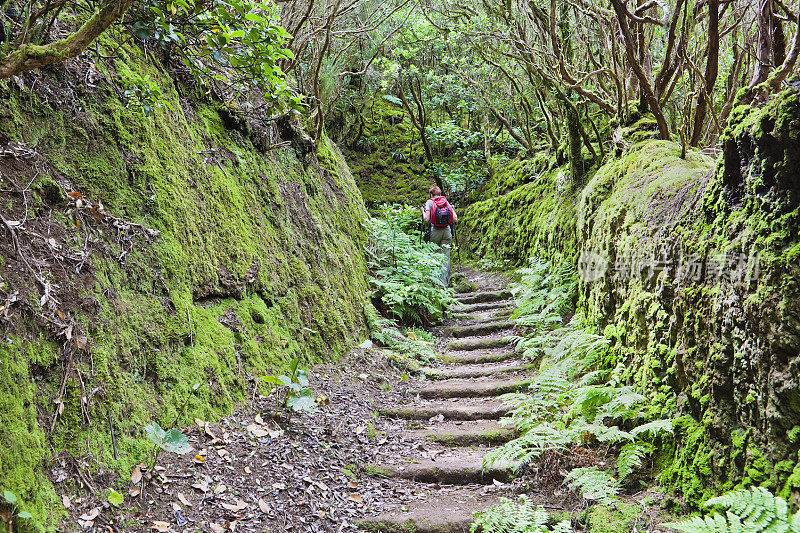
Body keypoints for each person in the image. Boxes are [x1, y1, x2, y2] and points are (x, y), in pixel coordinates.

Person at [422, 185, 457, 285]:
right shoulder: (445, 201)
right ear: (440, 194)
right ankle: (445, 283)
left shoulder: (429, 202)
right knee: (445, 257)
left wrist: (423, 212)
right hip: (447, 232)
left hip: (435, 232)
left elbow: (426, 219)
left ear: (431, 195)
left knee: (435, 256)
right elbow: (455, 219)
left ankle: (436, 283)